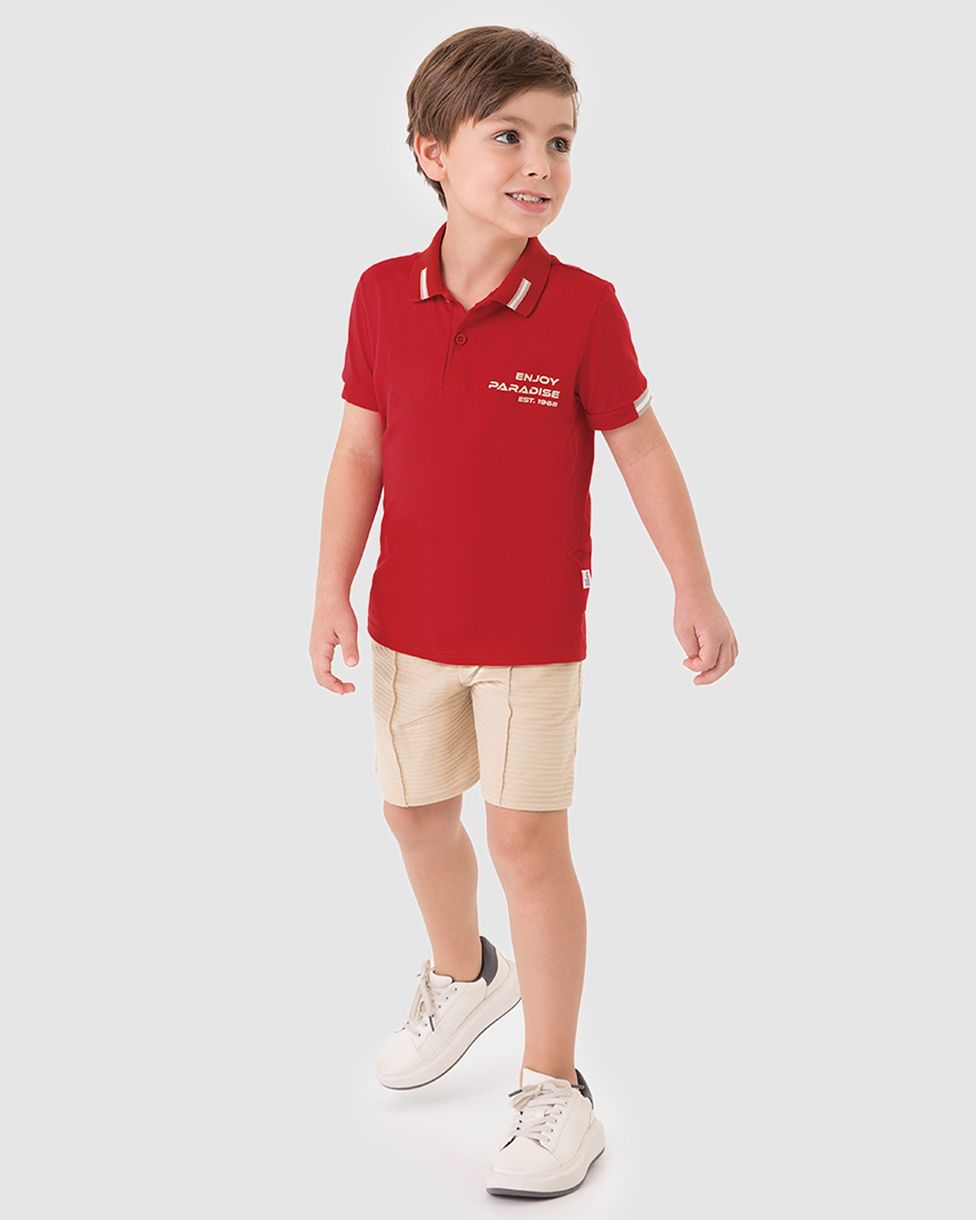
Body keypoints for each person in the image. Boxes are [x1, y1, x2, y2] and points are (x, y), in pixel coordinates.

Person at [309, 25, 738, 1199]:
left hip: (532, 640)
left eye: (560, 141)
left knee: (524, 841)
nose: (540, 164)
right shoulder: (378, 295)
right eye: (509, 137)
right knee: (412, 814)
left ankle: (554, 1086)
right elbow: (358, 452)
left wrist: (691, 583)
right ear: (430, 152)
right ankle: (465, 975)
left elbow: (641, 449)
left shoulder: (584, 308)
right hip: (408, 626)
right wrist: (330, 588)